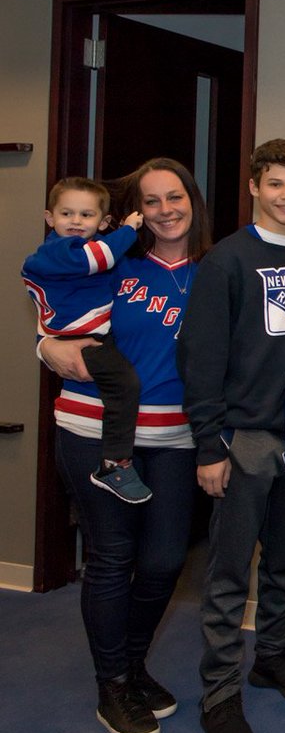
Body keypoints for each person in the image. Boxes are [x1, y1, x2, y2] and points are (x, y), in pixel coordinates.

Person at [36, 158, 211, 733]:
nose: (165, 209)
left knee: (164, 561)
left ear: (193, 201)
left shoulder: (214, 272)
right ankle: (112, 683)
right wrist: (44, 345)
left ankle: (133, 667)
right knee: (112, 557)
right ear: (134, 211)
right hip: (94, 431)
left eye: (175, 197)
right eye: (151, 200)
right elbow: (59, 310)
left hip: (177, 439)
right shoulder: (116, 260)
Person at [178, 138, 285, 733]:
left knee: (282, 561)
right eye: (276, 184)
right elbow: (202, 359)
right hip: (241, 439)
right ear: (254, 187)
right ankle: (219, 693)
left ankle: (272, 656)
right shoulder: (225, 261)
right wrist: (208, 447)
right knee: (226, 574)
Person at [22, 177, 152, 503]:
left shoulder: (78, 249)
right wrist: (130, 228)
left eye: (86, 215)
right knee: (125, 385)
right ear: (50, 218)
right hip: (82, 340)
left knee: (120, 386)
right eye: (67, 214)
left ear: (101, 221)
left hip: (88, 336)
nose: (76, 222)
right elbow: (101, 258)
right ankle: (114, 464)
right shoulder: (60, 251)